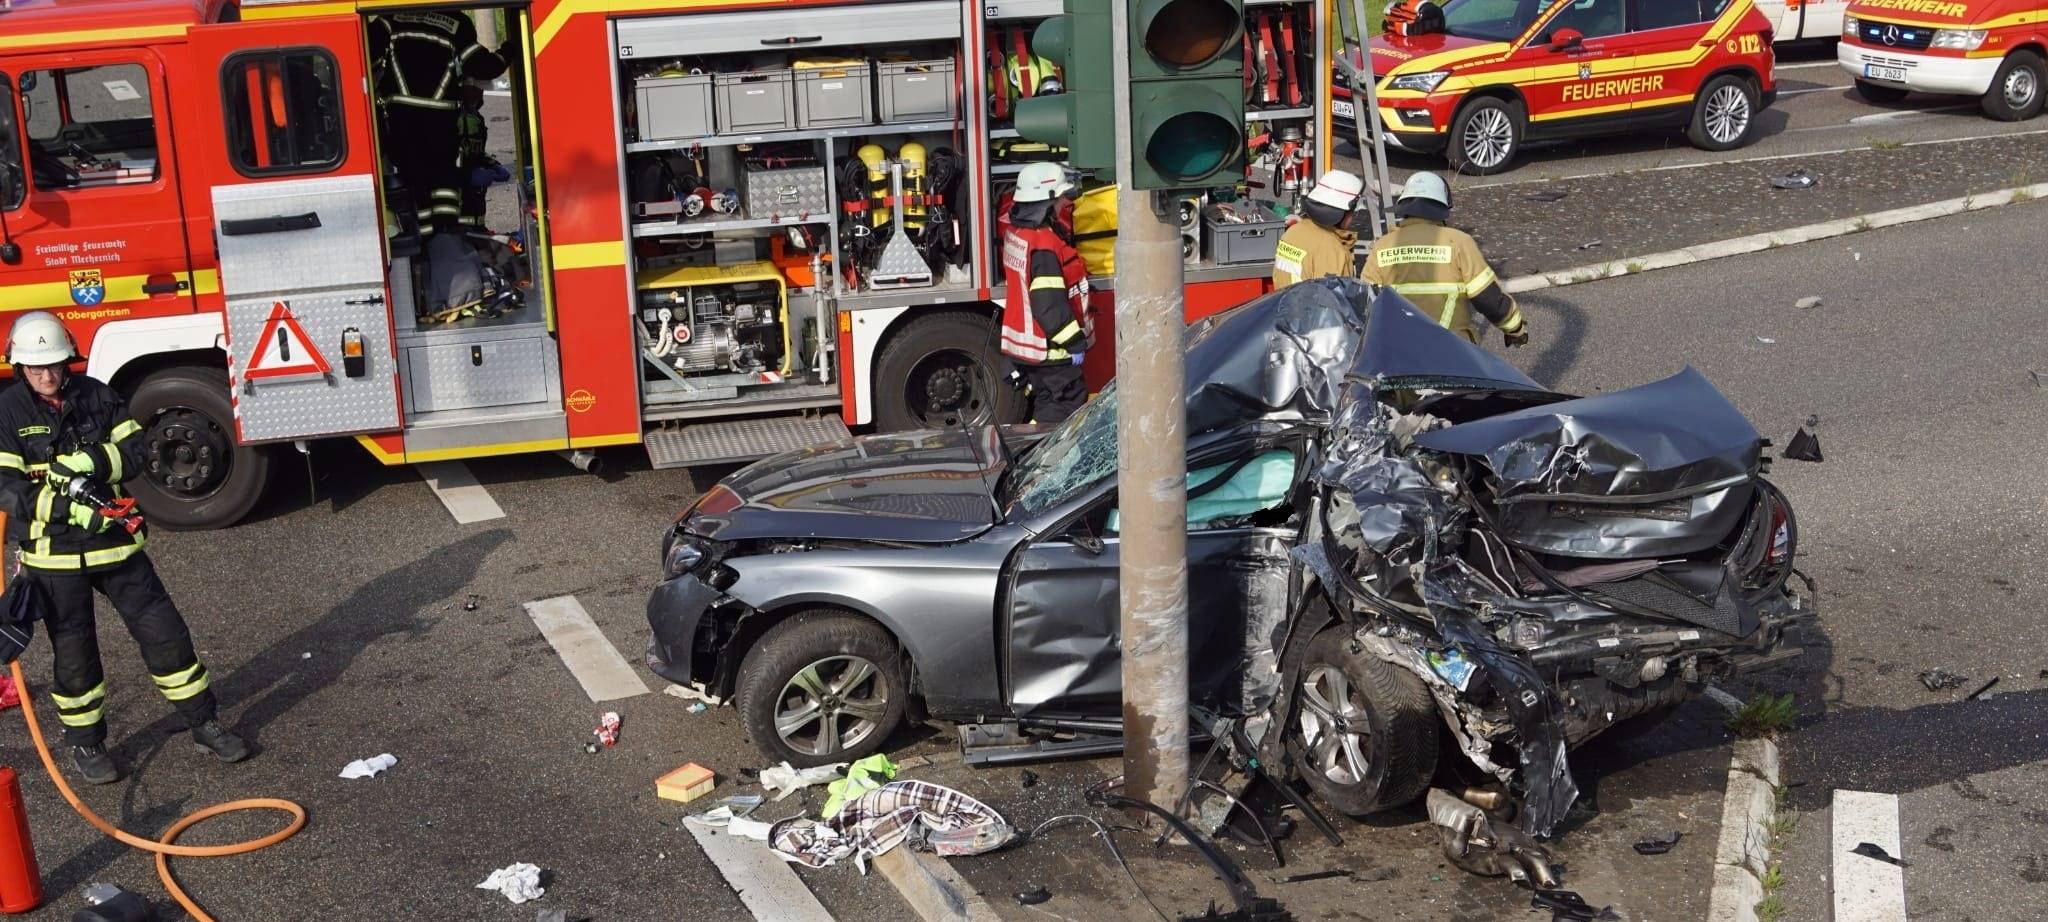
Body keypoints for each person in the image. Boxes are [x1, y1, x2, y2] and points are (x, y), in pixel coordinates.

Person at [0, 313, 248, 784]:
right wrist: (71, 511)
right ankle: (87, 744)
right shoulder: (7, 412)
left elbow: (136, 452)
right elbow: (6, 488)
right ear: (20, 367)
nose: (47, 376)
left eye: (54, 365)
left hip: (116, 545)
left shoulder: (96, 395)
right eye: (36, 368)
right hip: (54, 556)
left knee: (166, 634)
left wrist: (88, 461)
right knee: (75, 655)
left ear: (67, 360)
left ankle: (204, 722)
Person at [368, 11, 506, 237]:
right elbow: (483, 66)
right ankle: (445, 235)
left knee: (414, 184)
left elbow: (362, 60)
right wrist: (509, 50)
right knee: (444, 182)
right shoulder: (457, 22)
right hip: (441, 126)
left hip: (402, 124)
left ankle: (425, 240)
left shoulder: (389, 19)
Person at [1361, 171, 1528, 348]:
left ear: (1405, 208)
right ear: (1441, 208)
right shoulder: (1458, 242)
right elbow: (1488, 298)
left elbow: (1365, 302)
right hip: (1452, 351)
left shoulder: (1382, 246)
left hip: (1398, 351)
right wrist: (1515, 329)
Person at [999, 162, 1094, 425]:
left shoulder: (1019, 234)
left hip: (1030, 351)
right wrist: (1074, 342)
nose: (1065, 202)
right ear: (1046, 202)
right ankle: (1042, 453)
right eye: (1060, 197)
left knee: (1046, 408)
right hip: (1052, 353)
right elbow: (1048, 305)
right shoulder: (1044, 246)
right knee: (1062, 414)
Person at [1272, 169, 1364, 290]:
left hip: (1286, 300)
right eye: (1353, 212)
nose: (1353, 218)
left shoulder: (1292, 232)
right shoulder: (1333, 251)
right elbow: (1332, 299)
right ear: (1342, 214)